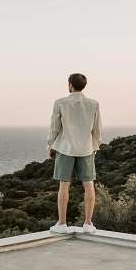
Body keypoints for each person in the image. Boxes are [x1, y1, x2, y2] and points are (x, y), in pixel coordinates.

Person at [46, 73, 102, 234]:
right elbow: (97, 129)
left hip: (65, 148)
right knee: (89, 185)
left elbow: (54, 128)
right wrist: (95, 146)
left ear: (70, 84)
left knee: (64, 186)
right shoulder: (94, 104)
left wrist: (51, 145)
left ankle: (62, 223)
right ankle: (88, 223)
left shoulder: (60, 103)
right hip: (86, 149)